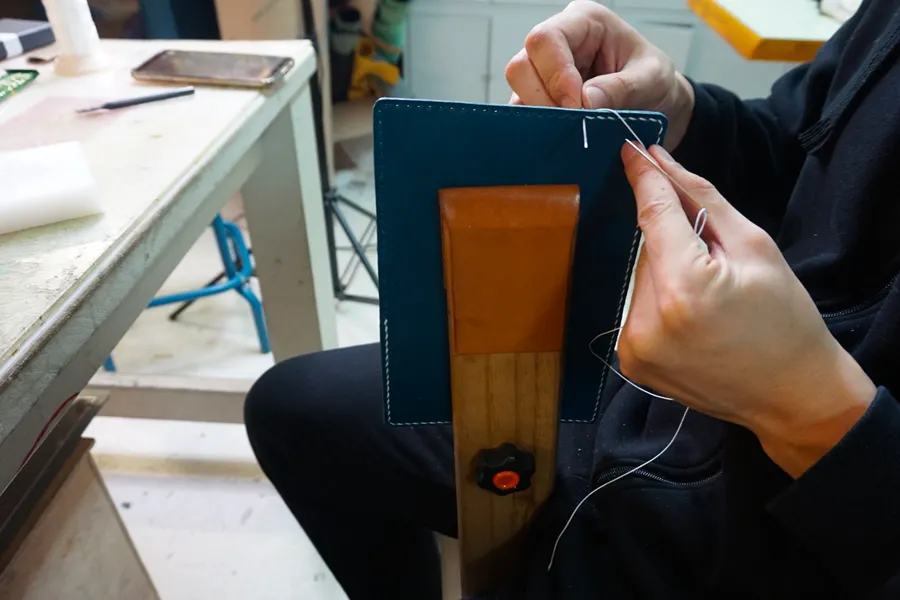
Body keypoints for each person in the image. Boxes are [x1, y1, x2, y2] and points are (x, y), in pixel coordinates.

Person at [244, 0, 900, 597]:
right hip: (662, 411)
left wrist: (815, 418)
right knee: (295, 409)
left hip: (784, 541)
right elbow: (800, 147)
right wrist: (685, 114)